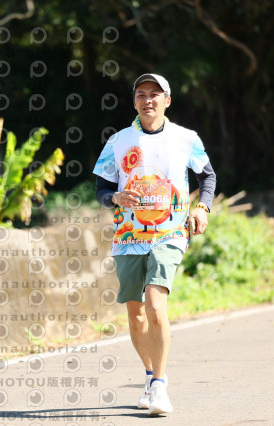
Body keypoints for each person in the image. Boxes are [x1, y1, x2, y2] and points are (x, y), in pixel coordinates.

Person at [93, 73, 216, 415]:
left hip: (170, 232)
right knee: (136, 316)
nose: (148, 100)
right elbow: (101, 188)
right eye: (141, 94)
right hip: (128, 236)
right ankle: (150, 375)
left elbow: (207, 175)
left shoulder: (185, 138)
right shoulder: (118, 141)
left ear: (167, 101)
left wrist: (202, 207)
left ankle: (160, 386)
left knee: (155, 304)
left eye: (155, 94)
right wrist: (115, 197)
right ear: (134, 101)